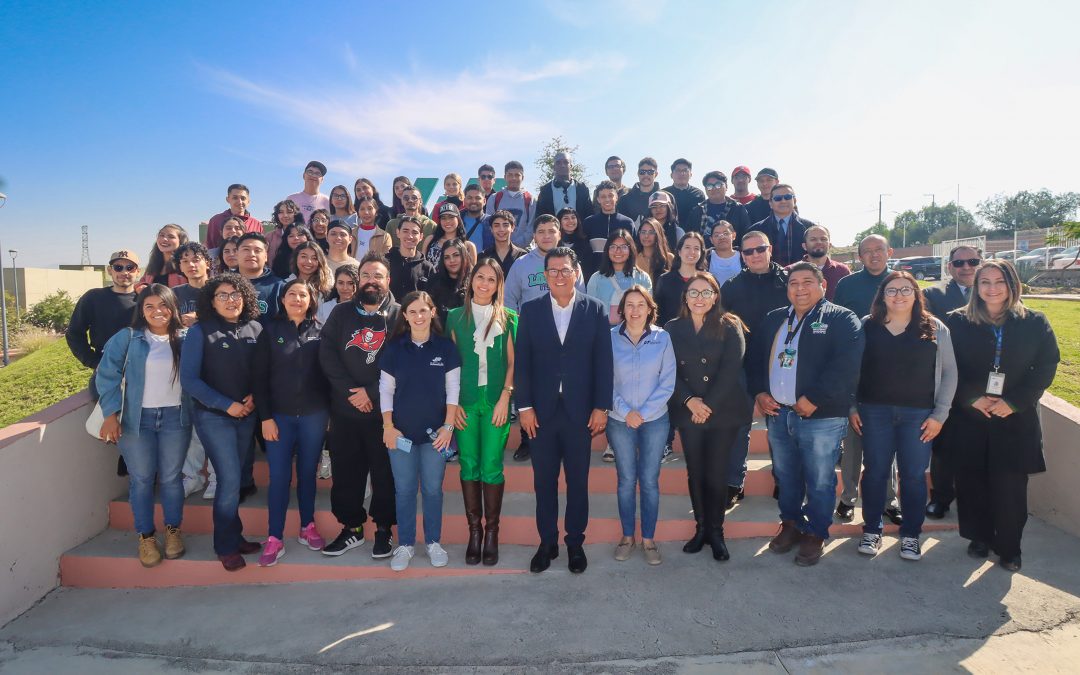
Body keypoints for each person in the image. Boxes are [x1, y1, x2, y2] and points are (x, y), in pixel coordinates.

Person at [942, 261, 1059, 572]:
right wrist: (971, 398)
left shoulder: (1034, 322)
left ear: (1012, 284)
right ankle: (978, 537)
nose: (992, 288)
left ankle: (1009, 548)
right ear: (976, 287)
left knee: (1010, 488)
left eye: (999, 281)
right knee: (971, 482)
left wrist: (1015, 402)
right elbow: (946, 367)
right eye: (985, 282)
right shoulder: (957, 322)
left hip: (1014, 418)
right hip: (971, 416)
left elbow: (1046, 366)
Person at [749, 262, 864, 567]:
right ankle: (791, 523)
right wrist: (759, 392)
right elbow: (755, 360)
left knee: (820, 479)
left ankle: (816, 531)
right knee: (786, 476)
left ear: (823, 285)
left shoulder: (841, 319)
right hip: (779, 414)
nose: (800, 289)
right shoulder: (775, 318)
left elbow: (847, 366)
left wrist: (815, 398)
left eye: (807, 282)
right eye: (793, 283)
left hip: (822, 417)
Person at [515, 246, 614, 574]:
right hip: (540, 414)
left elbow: (603, 362)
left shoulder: (595, 309)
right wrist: (524, 407)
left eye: (565, 270)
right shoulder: (531, 310)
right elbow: (523, 363)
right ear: (545, 276)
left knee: (577, 483)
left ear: (576, 273)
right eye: (553, 271)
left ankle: (575, 543)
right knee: (543, 483)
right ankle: (547, 543)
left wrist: (601, 406)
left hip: (580, 413)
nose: (559, 276)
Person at [851, 271, 957, 561]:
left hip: (919, 416)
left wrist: (940, 414)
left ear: (916, 294)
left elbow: (950, 372)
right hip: (874, 412)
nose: (899, 295)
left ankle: (910, 535)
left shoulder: (934, 327)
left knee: (912, 475)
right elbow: (853, 369)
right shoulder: (867, 325)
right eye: (892, 290)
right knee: (875, 472)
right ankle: (871, 530)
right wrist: (852, 407)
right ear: (882, 296)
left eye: (905, 289)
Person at [96, 284, 191, 568]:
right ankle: (146, 537)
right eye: (149, 306)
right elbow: (107, 374)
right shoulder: (128, 337)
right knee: (141, 479)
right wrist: (110, 414)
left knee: (172, 478)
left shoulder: (186, 338)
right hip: (136, 420)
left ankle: (173, 531)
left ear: (173, 308)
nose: (156, 311)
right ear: (141, 310)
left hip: (176, 417)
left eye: (162, 305)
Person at [179, 273, 263, 571]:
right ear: (212, 301)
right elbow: (189, 380)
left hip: (247, 415)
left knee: (237, 479)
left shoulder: (255, 328)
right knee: (228, 480)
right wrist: (227, 405)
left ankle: (235, 536)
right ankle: (225, 546)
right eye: (223, 295)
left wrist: (254, 397)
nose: (231, 300)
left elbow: (264, 370)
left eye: (236, 294)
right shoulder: (200, 332)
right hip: (214, 417)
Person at [318, 254, 401, 559]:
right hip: (345, 410)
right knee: (346, 474)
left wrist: (370, 393)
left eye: (377, 276)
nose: (371, 281)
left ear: (387, 280)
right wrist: (351, 393)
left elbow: (403, 361)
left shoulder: (399, 315)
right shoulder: (341, 313)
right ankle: (351, 528)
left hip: (385, 413)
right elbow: (327, 354)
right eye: (365, 275)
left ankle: (383, 529)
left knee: (384, 474)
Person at [667, 273, 753, 561]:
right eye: (694, 292)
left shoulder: (730, 325)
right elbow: (667, 370)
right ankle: (701, 528)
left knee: (717, 472)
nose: (699, 298)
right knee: (696, 471)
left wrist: (707, 406)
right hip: (688, 410)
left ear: (716, 296)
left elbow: (731, 370)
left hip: (722, 411)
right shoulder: (672, 328)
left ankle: (716, 532)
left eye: (706, 292)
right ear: (685, 297)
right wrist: (690, 401)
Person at [379, 291, 462, 571]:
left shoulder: (446, 348)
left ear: (433, 312)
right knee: (403, 490)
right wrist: (388, 427)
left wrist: (448, 426)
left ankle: (433, 542)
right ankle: (405, 545)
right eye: (412, 311)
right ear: (404, 315)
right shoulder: (394, 349)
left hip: (435, 436)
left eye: (423, 310)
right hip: (400, 435)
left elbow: (453, 389)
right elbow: (386, 391)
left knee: (432, 490)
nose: (418, 316)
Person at [253, 280, 331, 566]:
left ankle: (307, 526)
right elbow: (259, 379)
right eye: (292, 294)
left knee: (308, 473)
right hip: (278, 418)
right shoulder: (270, 331)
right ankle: (274, 537)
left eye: (303, 294)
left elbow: (329, 376)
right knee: (279, 477)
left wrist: (329, 415)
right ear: (283, 299)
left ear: (311, 300)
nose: (297, 299)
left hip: (314, 416)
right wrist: (265, 418)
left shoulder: (322, 332)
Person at [446, 259, 517, 565]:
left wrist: (505, 397)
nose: (484, 284)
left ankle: (492, 533)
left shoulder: (509, 318)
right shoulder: (454, 317)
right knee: (468, 465)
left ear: (498, 285)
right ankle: (474, 531)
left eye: (491, 279)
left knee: (491, 465)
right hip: (464, 403)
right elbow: (449, 366)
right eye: (480, 277)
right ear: (471, 280)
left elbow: (513, 363)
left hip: (495, 403)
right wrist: (453, 405)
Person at [504, 215, 585, 463]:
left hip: (565, 338)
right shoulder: (521, 265)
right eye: (541, 231)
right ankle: (528, 440)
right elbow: (509, 301)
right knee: (530, 387)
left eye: (551, 231)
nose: (546, 236)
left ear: (560, 234)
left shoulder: (572, 263)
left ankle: (564, 438)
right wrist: (516, 332)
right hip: (532, 338)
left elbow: (581, 299)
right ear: (534, 235)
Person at [719, 231, 790, 503]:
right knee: (738, 426)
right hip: (743, 364)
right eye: (748, 251)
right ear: (742, 255)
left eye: (760, 249)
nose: (755, 255)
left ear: (770, 249)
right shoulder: (732, 287)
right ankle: (733, 482)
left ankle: (784, 479)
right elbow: (721, 326)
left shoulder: (788, 281)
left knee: (781, 427)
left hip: (782, 364)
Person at [608, 286, 675, 565]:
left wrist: (643, 413)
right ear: (622, 310)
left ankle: (648, 539)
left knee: (648, 480)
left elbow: (668, 382)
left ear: (650, 309)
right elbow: (604, 380)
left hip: (655, 420)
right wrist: (626, 412)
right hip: (619, 420)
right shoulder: (609, 338)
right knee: (626, 481)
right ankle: (627, 536)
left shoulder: (663, 338)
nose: (635, 310)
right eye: (630, 305)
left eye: (641, 305)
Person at [833, 233, 895, 521]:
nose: (874, 255)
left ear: (889, 252)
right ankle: (848, 497)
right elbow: (836, 322)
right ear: (859, 257)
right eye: (867, 251)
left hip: (891, 371)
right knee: (852, 442)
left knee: (885, 444)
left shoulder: (899, 282)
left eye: (879, 249)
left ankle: (889, 499)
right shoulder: (847, 284)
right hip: (855, 368)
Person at [923, 245, 982, 519]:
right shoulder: (933, 295)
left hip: (981, 383)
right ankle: (941, 497)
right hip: (946, 379)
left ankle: (974, 497)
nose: (966, 267)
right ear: (949, 267)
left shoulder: (992, 291)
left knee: (979, 445)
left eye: (972, 261)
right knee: (944, 444)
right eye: (959, 263)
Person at [171, 242, 217, 498]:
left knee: (215, 424)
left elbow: (235, 317)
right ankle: (193, 476)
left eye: (196, 259)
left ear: (207, 262)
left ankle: (217, 477)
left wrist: (199, 317)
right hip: (183, 368)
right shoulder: (173, 294)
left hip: (217, 367)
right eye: (185, 260)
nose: (191, 264)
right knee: (189, 425)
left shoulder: (220, 289)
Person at [67, 249, 140, 401]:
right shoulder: (94, 298)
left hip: (141, 370)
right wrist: (94, 362)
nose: (124, 272)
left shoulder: (146, 300)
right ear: (109, 270)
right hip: (107, 372)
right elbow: (74, 334)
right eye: (118, 267)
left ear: (137, 271)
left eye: (130, 267)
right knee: (109, 414)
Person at [586, 229, 653, 326]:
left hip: (636, 333)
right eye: (613, 247)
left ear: (630, 250)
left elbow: (648, 310)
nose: (618, 251)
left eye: (623, 247)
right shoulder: (596, 279)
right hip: (605, 333)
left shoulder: (643, 278)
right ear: (607, 250)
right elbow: (590, 314)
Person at [755, 184, 815, 267]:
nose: (783, 201)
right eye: (778, 198)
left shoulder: (810, 228)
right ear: (770, 203)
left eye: (787, 197)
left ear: (794, 201)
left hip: (801, 274)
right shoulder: (756, 230)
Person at [582, 180, 635, 274]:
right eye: (603, 196)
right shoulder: (588, 222)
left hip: (622, 274)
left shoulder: (628, 223)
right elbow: (584, 252)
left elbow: (633, 251)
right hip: (594, 275)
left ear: (616, 197)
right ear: (598, 199)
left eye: (610, 196)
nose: (607, 199)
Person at [786, 225, 850, 301]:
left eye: (823, 239)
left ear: (829, 245)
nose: (819, 242)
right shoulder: (789, 271)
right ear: (804, 246)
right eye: (813, 239)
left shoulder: (842, 271)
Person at [654, 232, 707, 326]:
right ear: (679, 251)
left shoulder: (708, 281)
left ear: (701, 253)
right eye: (687, 247)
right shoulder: (665, 280)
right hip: (670, 332)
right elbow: (657, 312)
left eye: (696, 248)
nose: (692, 252)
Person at [483, 160, 536, 248]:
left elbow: (531, 229)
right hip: (498, 249)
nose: (513, 178)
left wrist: (513, 247)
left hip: (523, 251)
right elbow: (489, 226)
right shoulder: (494, 198)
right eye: (510, 175)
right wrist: (503, 246)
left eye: (517, 175)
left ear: (522, 177)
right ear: (505, 177)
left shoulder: (530, 199)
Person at [686, 171, 751, 241]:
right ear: (705, 189)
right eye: (709, 186)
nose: (714, 188)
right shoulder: (697, 211)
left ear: (726, 187)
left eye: (718, 184)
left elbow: (747, 236)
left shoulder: (738, 209)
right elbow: (689, 237)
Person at [235, 233, 285, 320]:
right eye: (246, 249)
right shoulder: (223, 284)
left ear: (266, 256)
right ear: (236, 254)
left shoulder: (280, 287)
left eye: (257, 250)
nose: (252, 254)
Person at [386, 216, 436, 302]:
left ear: (421, 237)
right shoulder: (385, 262)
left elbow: (432, 298)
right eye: (405, 231)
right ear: (398, 232)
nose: (410, 236)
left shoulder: (427, 268)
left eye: (414, 232)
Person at [426, 238, 472, 324]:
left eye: (456, 255)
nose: (452, 260)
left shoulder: (474, 281)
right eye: (447, 257)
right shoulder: (434, 281)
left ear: (464, 256)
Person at [205, 184, 262, 251]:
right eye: (235, 198)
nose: (240, 202)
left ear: (248, 201)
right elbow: (211, 247)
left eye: (243, 198)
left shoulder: (256, 224)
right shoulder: (216, 221)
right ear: (228, 199)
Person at [536, 151, 593, 218]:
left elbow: (589, 215)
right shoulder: (545, 191)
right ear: (554, 167)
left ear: (571, 166)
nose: (562, 165)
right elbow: (540, 218)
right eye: (558, 163)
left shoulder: (582, 188)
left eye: (566, 162)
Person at [423, 203, 477, 269]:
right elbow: (422, 265)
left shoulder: (468, 246)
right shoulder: (430, 240)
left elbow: (472, 272)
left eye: (451, 217)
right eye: (443, 218)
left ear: (458, 219)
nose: (447, 221)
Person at [480, 210, 528, 279]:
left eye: (505, 225)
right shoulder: (483, 256)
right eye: (496, 225)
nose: (501, 229)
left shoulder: (523, 256)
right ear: (491, 229)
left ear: (512, 228)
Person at [138, 224, 188, 289]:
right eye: (161, 235)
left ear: (180, 241)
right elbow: (141, 282)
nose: (164, 239)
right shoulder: (153, 265)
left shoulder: (186, 264)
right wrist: (141, 287)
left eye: (171, 237)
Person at [663, 158, 706, 229]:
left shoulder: (698, 194)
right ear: (671, 175)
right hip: (669, 232)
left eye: (685, 170)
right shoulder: (664, 193)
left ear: (691, 175)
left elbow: (703, 216)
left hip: (693, 233)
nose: (682, 173)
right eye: (678, 170)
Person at [618, 157, 663, 224]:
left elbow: (671, 224)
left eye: (650, 172)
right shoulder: (625, 200)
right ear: (638, 174)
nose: (646, 175)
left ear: (656, 174)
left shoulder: (666, 198)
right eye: (642, 172)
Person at [558, 207, 596, 282]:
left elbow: (589, 267)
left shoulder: (585, 242)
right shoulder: (555, 243)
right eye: (566, 218)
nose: (570, 221)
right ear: (559, 222)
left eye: (573, 217)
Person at [349, 197, 392, 261]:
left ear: (376, 212)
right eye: (362, 209)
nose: (366, 212)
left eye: (370, 209)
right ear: (358, 212)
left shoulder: (385, 236)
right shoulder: (350, 233)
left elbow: (386, 261)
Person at [634, 218, 674, 284]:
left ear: (658, 234)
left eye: (651, 232)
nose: (646, 236)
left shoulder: (669, 258)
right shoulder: (635, 260)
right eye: (643, 232)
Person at [704, 220, 743, 287]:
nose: (722, 237)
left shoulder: (745, 256)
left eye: (726, 233)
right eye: (716, 235)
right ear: (711, 239)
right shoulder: (705, 258)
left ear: (733, 235)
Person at [461, 184, 489, 251]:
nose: (473, 201)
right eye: (469, 198)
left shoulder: (492, 221)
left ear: (484, 201)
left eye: (477, 198)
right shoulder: (456, 221)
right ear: (464, 201)